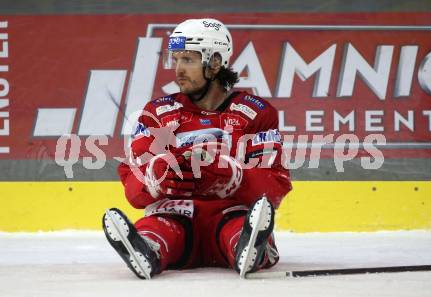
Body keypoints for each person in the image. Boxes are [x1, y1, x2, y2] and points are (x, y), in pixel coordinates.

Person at [102, 18, 292, 279]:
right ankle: (148, 247)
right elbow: (133, 190)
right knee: (160, 226)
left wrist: (235, 177)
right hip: (175, 211)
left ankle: (248, 246)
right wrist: (156, 179)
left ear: (215, 62)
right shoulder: (157, 113)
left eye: (188, 60)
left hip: (230, 211)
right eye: (175, 59)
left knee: (238, 225)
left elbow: (276, 187)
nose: (178, 69)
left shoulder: (257, 113)